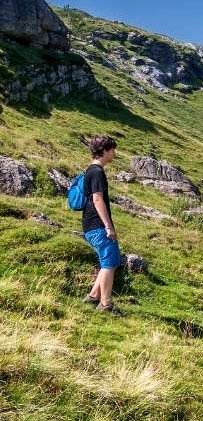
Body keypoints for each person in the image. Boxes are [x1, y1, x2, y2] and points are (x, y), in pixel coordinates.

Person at [82, 135, 122, 314]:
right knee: (109, 262)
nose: (114, 153)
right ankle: (105, 304)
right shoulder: (97, 172)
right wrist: (108, 226)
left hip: (91, 224)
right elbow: (98, 200)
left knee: (110, 260)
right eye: (112, 150)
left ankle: (93, 296)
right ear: (105, 151)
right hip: (98, 225)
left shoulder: (90, 170)